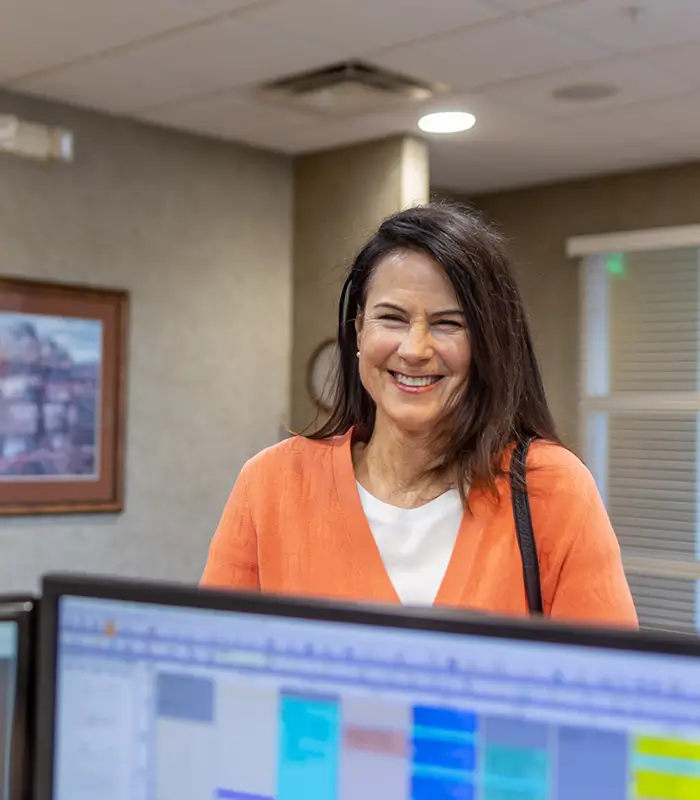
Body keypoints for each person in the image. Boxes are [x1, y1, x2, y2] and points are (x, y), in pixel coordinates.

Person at [201, 203, 637, 627]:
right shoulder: (271, 484)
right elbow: (209, 671)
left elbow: (613, 691)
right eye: (391, 318)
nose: (414, 349)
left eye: (448, 323)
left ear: (488, 344)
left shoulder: (551, 489)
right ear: (357, 331)